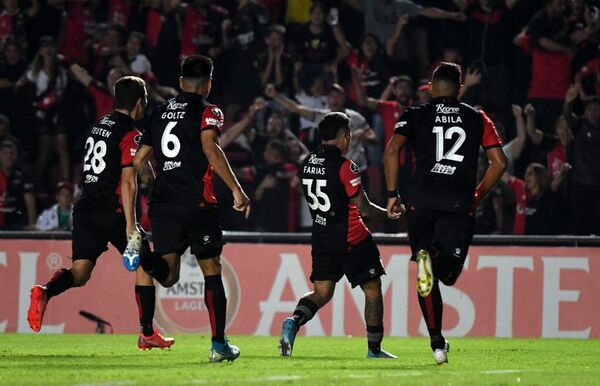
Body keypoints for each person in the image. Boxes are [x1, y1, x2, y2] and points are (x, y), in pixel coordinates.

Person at [26, 76, 175, 351]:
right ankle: (146, 333)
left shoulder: (98, 125)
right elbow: (128, 180)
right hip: (114, 211)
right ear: (140, 103)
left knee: (80, 273)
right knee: (145, 266)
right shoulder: (131, 133)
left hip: (86, 208)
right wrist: (131, 225)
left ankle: (46, 292)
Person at [383, 62, 506, 364]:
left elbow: (390, 151)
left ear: (431, 88)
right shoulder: (478, 118)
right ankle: (433, 259)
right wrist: (477, 194)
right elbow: (500, 162)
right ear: (460, 88)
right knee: (447, 274)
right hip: (457, 203)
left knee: (428, 277)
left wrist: (390, 195)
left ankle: (437, 343)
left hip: (419, 203)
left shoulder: (414, 115)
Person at [133, 55, 251, 363]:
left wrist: (154, 182)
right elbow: (211, 148)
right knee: (211, 269)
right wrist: (237, 189)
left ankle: (142, 252)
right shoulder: (208, 111)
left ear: (182, 82)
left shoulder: (158, 112)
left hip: (163, 202)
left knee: (168, 276)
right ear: (208, 84)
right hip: (197, 203)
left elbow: (138, 161)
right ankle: (219, 345)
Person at [279, 112, 399, 359]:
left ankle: (293, 321)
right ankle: (374, 349)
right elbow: (364, 208)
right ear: (345, 136)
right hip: (351, 237)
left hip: (322, 237)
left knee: (321, 292)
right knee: (373, 289)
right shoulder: (347, 167)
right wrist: (390, 214)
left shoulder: (307, 163)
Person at [0, 139, 36, 230]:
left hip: (17, 220)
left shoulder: (23, 175)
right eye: (5, 153)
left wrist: (32, 224)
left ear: (16, 155)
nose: (9, 156)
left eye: (11, 153)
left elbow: (30, 202)